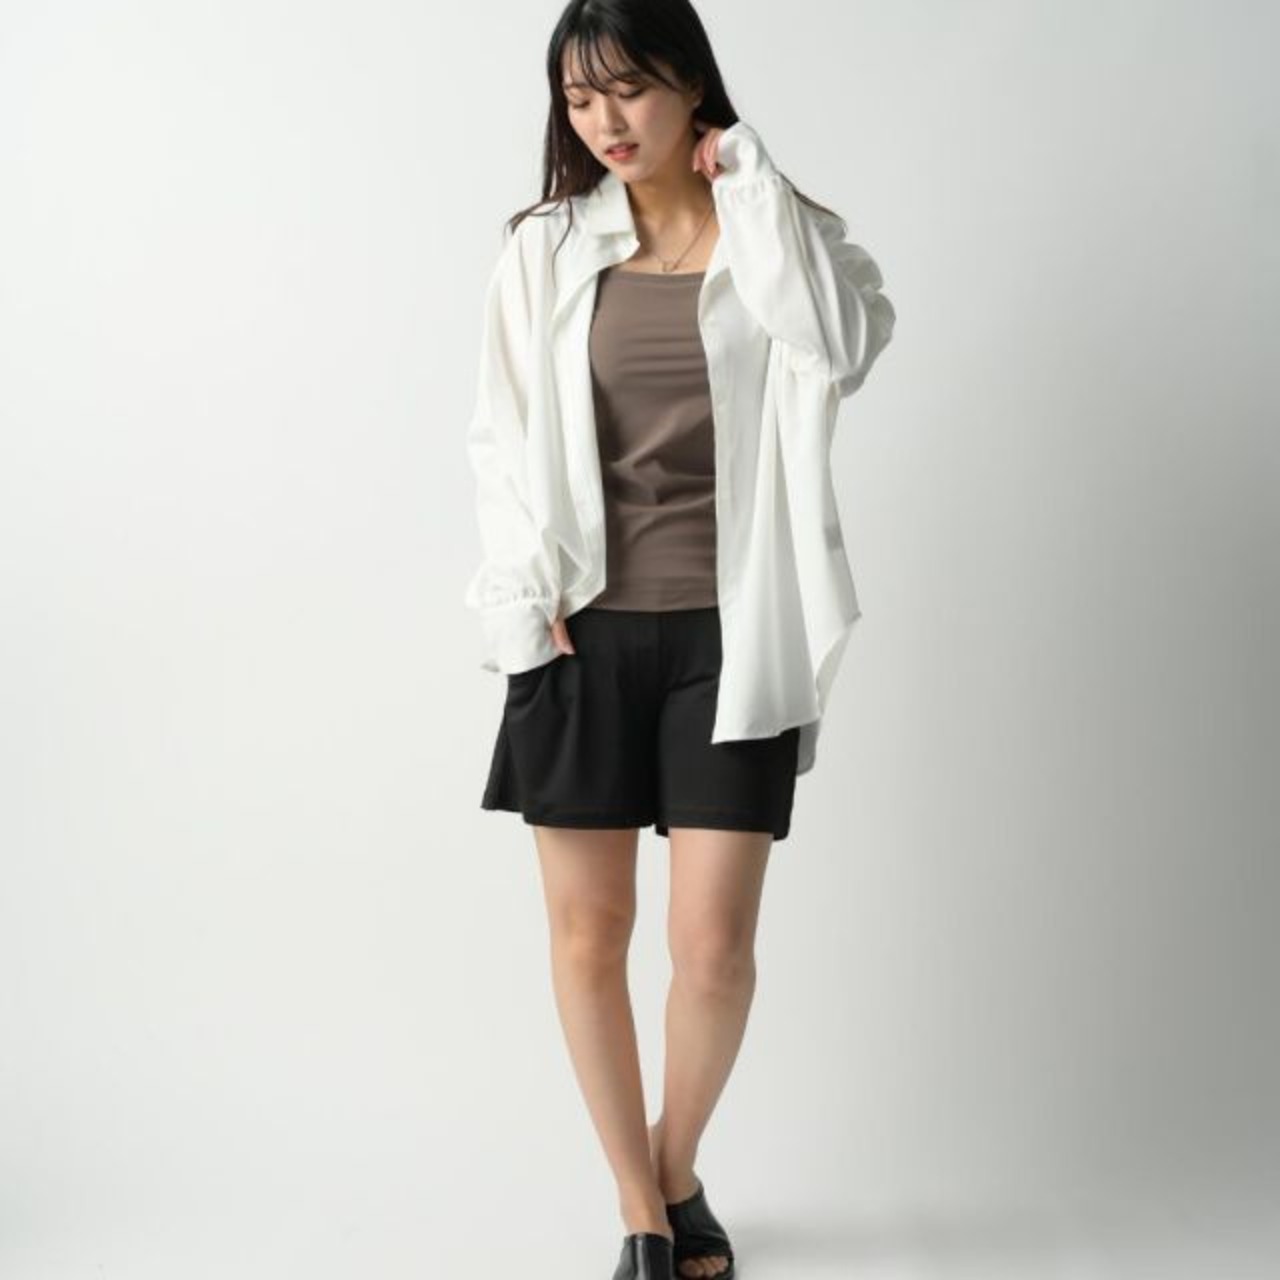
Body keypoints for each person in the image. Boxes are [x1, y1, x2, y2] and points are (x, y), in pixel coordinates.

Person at [463, 2, 895, 1276]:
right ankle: (642, 1214)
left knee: (712, 949)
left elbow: (841, 344)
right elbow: (497, 436)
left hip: (732, 633)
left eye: (630, 91)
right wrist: (518, 594)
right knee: (587, 935)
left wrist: (750, 178)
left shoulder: (779, 231)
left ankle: (674, 1161)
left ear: (691, 85)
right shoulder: (544, 250)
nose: (604, 121)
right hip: (579, 633)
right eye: (578, 98)